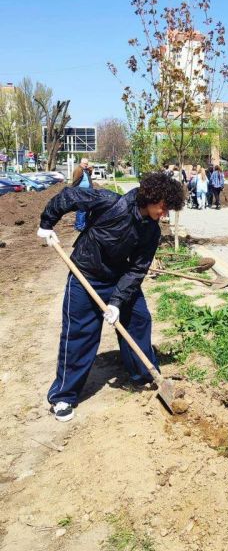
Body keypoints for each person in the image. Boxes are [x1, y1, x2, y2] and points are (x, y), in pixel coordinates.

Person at [37, 171, 185, 422]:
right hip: (86, 274)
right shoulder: (109, 202)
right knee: (80, 334)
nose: (165, 213)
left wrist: (116, 302)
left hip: (119, 278)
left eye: (169, 209)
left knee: (139, 320)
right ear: (151, 198)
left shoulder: (151, 231)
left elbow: (137, 269)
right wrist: (46, 224)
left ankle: (144, 375)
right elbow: (69, 196)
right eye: (163, 207)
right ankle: (63, 395)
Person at [72, 157, 93, 231]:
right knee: (81, 210)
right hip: (81, 194)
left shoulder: (85, 170)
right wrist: (76, 192)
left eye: (87, 164)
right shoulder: (78, 170)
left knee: (87, 210)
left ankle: (84, 224)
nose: (86, 165)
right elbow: (75, 182)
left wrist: (90, 170)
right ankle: (79, 226)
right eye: (85, 164)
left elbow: (88, 177)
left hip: (87, 193)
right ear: (81, 163)